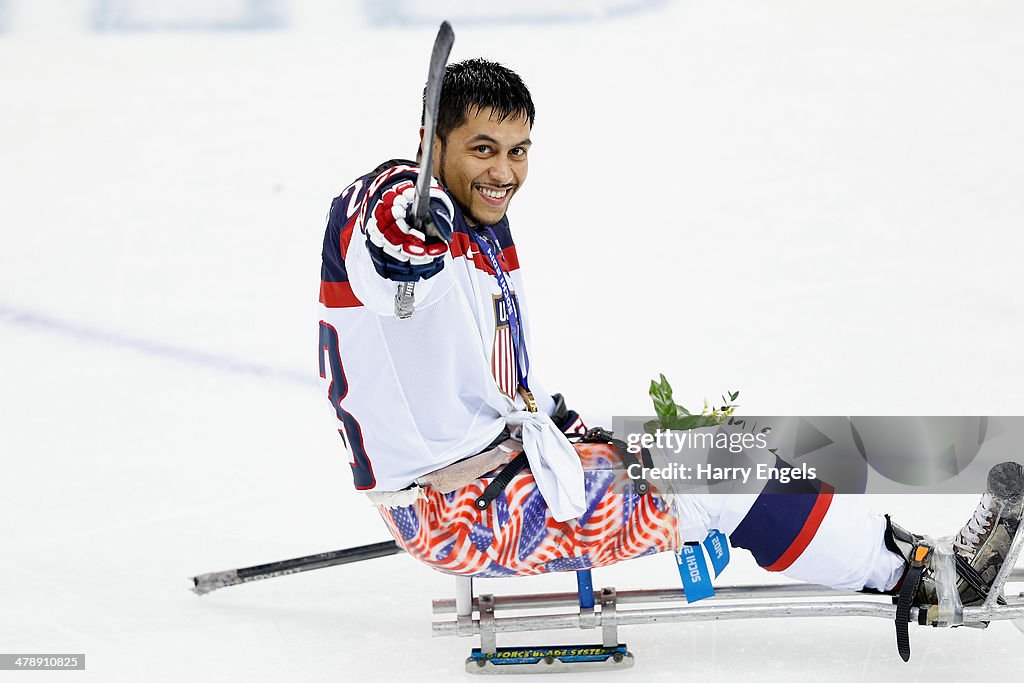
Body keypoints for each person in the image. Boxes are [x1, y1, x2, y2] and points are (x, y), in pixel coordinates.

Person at [317, 59, 1023, 618]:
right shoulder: (388, 208)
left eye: (518, 150)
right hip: (462, 512)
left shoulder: (481, 218)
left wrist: (568, 427)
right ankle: (928, 579)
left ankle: (889, 545)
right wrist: (410, 233)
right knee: (723, 472)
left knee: (726, 443)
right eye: (481, 149)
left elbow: (487, 369)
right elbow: (388, 256)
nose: (503, 171)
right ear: (427, 144)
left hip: (498, 471)